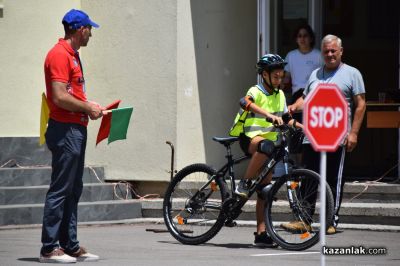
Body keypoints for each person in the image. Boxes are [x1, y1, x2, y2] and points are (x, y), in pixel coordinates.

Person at [281, 34, 366, 235]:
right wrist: (294, 106)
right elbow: (306, 99)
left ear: (341, 51)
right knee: (309, 177)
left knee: (332, 180)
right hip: (312, 135)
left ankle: (330, 221)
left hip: (338, 137)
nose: (329, 55)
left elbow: (361, 104)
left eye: (333, 51)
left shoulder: (352, 74)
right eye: (326, 51)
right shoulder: (315, 74)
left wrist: (353, 133)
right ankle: (304, 221)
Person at [40, 9, 104, 263]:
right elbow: (58, 96)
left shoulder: (73, 55)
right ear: (80, 29)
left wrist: (90, 106)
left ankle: (69, 244)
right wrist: (87, 107)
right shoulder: (59, 55)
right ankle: (49, 248)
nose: (91, 34)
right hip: (65, 129)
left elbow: (71, 94)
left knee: (73, 189)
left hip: (75, 128)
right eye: (90, 29)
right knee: (61, 189)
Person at [230, 54, 302, 247]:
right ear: (265, 75)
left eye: (281, 76)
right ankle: (244, 184)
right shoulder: (256, 90)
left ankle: (261, 233)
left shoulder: (279, 95)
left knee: (265, 191)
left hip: (268, 147)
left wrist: (303, 127)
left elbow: (286, 118)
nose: (279, 80)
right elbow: (244, 102)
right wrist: (269, 115)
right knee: (266, 146)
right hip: (250, 139)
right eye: (276, 77)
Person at [283, 24, 322, 161]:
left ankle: (311, 168)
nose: (302, 39)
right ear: (296, 39)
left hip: (314, 96)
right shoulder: (291, 56)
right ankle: (299, 170)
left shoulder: (318, 55)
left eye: (305, 35)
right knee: (298, 133)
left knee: (313, 133)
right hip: (296, 97)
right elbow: (286, 78)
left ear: (311, 38)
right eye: (299, 36)